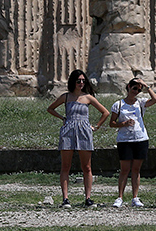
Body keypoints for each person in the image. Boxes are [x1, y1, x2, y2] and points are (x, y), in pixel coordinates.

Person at [47, 70, 110, 208]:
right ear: (73, 82)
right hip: (68, 130)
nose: (81, 83)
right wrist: (62, 118)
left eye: (83, 81)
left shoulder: (88, 97)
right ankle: (65, 199)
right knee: (66, 166)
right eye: (78, 81)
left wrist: (96, 126)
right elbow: (50, 108)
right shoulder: (66, 96)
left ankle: (88, 198)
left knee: (86, 167)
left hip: (84, 130)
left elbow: (105, 112)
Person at [109, 78, 156, 208]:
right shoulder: (118, 104)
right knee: (124, 169)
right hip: (125, 140)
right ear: (128, 87)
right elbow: (111, 123)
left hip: (140, 138)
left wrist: (146, 86)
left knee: (136, 170)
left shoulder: (141, 102)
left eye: (138, 89)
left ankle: (135, 197)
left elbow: (155, 99)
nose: (136, 91)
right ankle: (120, 197)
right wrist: (124, 124)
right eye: (134, 88)